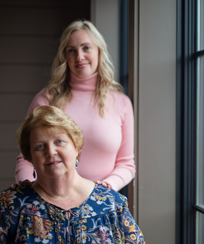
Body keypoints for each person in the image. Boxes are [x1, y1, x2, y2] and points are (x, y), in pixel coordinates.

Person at [0, 106, 145, 243]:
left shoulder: (112, 205)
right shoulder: (8, 207)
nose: (51, 152)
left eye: (59, 142)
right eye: (40, 146)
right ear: (30, 156)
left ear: (76, 147)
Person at [15, 19, 135, 191]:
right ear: (65, 56)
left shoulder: (121, 103)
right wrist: (27, 190)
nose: (79, 57)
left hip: (101, 200)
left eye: (86, 48)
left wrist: (105, 189)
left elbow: (127, 164)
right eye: (71, 50)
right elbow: (26, 157)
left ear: (99, 51)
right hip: (50, 199)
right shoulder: (46, 100)